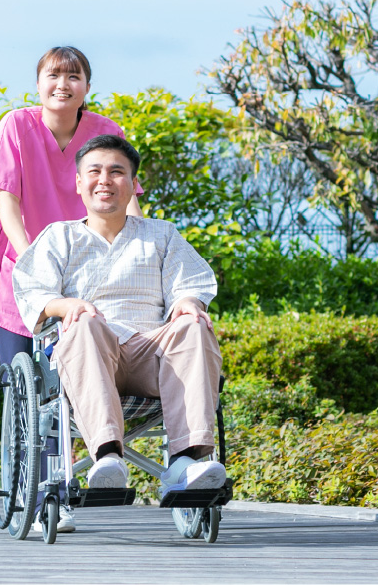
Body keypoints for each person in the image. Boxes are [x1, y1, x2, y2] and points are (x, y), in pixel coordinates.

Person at [12, 134, 227, 496]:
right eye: (94, 172)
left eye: (116, 172)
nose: (105, 180)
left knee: (193, 325)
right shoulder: (59, 236)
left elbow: (189, 282)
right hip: (91, 351)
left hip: (151, 353)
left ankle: (186, 462)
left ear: (132, 183)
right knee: (84, 322)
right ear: (78, 183)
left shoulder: (161, 235)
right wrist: (67, 305)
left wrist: (190, 301)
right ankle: (107, 456)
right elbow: (34, 291)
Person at [0, 46, 142, 372]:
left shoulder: (107, 133)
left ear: (87, 87)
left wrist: (138, 252)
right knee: (18, 374)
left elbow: (126, 198)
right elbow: (7, 200)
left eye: (73, 76)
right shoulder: (16, 126)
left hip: (86, 270)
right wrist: (32, 261)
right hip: (22, 265)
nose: (63, 84)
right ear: (38, 84)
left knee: (77, 372)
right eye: (53, 75)